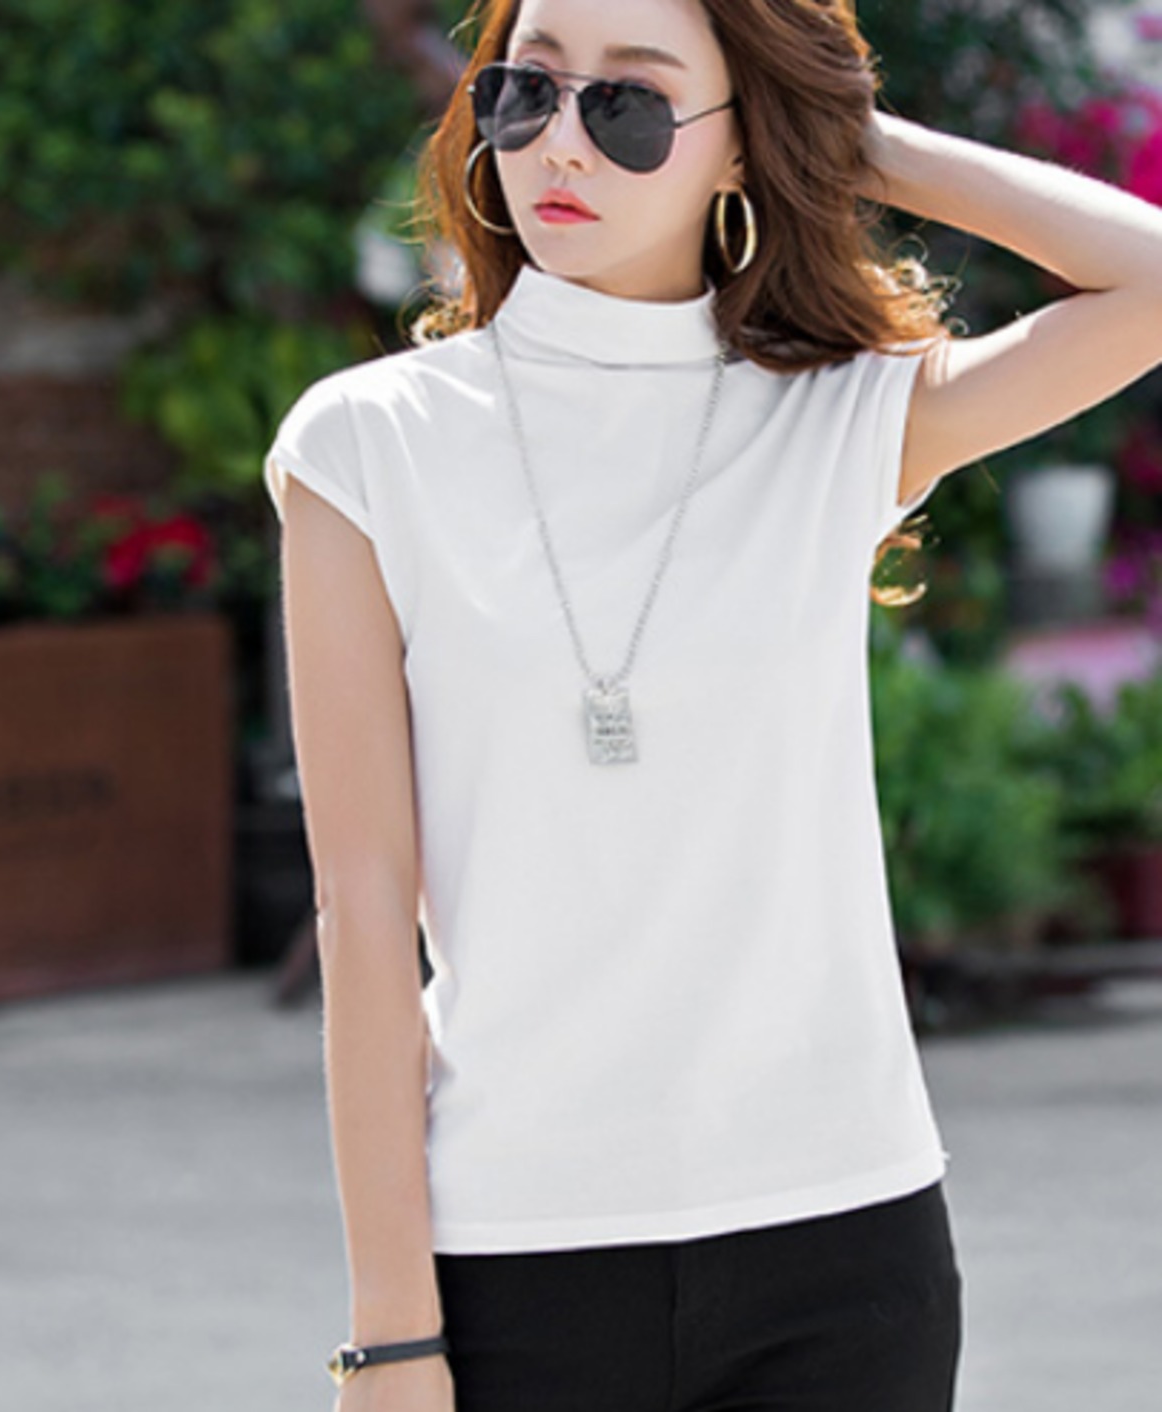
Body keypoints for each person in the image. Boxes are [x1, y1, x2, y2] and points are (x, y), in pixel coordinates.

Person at [262, 1, 1162, 1408]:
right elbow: (362, 906)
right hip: (516, 1256)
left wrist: (853, 139)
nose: (561, 144)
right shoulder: (368, 448)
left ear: (739, 144)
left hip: (842, 1247)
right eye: (526, 91)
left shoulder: (839, 418)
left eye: (629, 106)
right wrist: (390, 1332)